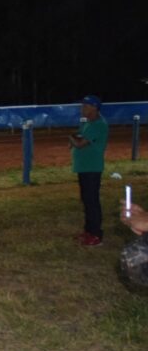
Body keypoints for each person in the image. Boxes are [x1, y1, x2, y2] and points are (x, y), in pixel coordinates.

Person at [69, 95, 108, 246]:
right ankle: (88, 231)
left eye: (85, 106)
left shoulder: (98, 124)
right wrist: (74, 138)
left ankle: (96, 235)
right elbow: (78, 137)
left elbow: (79, 143)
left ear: (94, 108)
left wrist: (70, 138)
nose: (82, 109)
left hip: (92, 167)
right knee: (86, 200)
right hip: (84, 167)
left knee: (92, 201)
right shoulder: (88, 123)